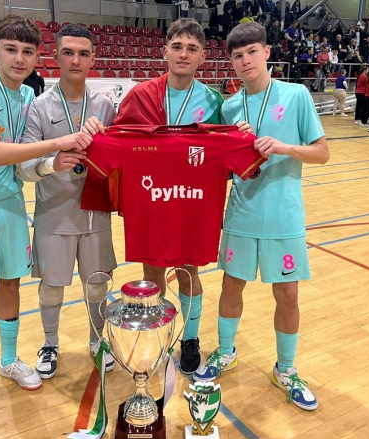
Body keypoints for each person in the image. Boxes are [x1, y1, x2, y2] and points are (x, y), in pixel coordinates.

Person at [0, 15, 93, 430]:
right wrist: (61, 141)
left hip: (10, 204)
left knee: (10, 284)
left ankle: (8, 361)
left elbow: (28, 161)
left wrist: (52, 162)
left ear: (37, 56)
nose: (19, 58)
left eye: (28, 52)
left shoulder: (28, 97)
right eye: (11, 49)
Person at [81, 18, 250, 375]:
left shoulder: (213, 100)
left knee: (188, 272)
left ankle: (190, 339)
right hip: (152, 200)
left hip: (191, 202)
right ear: (164, 52)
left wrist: (242, 136)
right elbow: (118, 136)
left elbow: (225, 147)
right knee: (152, 273)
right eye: (177, 47)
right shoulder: (141, 95)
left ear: (203, 56)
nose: (183, 54)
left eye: (191, 48)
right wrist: (98, 131)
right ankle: (157, 335)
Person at [192, 23, 329, 413]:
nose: (245, 61)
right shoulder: (230, 107)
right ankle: (225, 352)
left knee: (287, 294)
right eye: (237, 56)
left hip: (283, 216)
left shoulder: (296, 94)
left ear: (267, 52)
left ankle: (285, 370)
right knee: (232, 286)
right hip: (242, 212)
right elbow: (219, 164)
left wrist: (284, 147)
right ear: (230, 62)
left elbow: (322, 153)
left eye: (251, 52)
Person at [16, 24, 118, 380]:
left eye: (83, 53)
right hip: (54, 216)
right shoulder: (39, 107)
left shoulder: (105, 106)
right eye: (68, 52)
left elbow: (120, 157)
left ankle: (97, 341)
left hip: (95, 215)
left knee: (97, 284)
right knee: (52, 287)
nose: (76, 60)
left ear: (93, 59)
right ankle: (50, 342)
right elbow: (24, 168)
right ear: (55, 57)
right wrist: (52, 163)